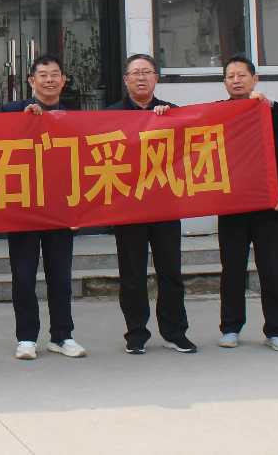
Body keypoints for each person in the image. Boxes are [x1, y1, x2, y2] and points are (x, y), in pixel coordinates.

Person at [107, 54, 197, 356]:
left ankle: (175, 332)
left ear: (156, 78)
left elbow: (189, 150)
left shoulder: (171, 112)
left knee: (170, 271)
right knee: (132, 274)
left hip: (165, 205)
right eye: (135, 73)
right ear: (126, 80)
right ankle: (136, 333)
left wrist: (169, 121)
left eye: (147, 72)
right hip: (128, 206)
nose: (141, 77)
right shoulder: (111, 115)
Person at [2, 54, 86, 361]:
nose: (49, 80)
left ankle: (62, 335)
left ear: (63, 80)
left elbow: (85, 163)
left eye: (54, 75)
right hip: (24, 206)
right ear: (31, 81)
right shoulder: (12, 111)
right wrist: (23, 119)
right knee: (24, 276)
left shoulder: (75, 117)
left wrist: (80, 210)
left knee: (60, 277)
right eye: (43, 75)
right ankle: (26, 337)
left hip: (60, 208)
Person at [217, 56, 278, 354]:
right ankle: (230, 328)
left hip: (269, 205)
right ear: (224, 82)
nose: (236, 80)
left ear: (255, 79)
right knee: (232, 270)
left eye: (241, 75)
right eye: (230, 76)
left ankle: (276, 330)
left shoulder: (273, 110)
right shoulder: (218, 112)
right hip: (233, 205)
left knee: (272, 270)